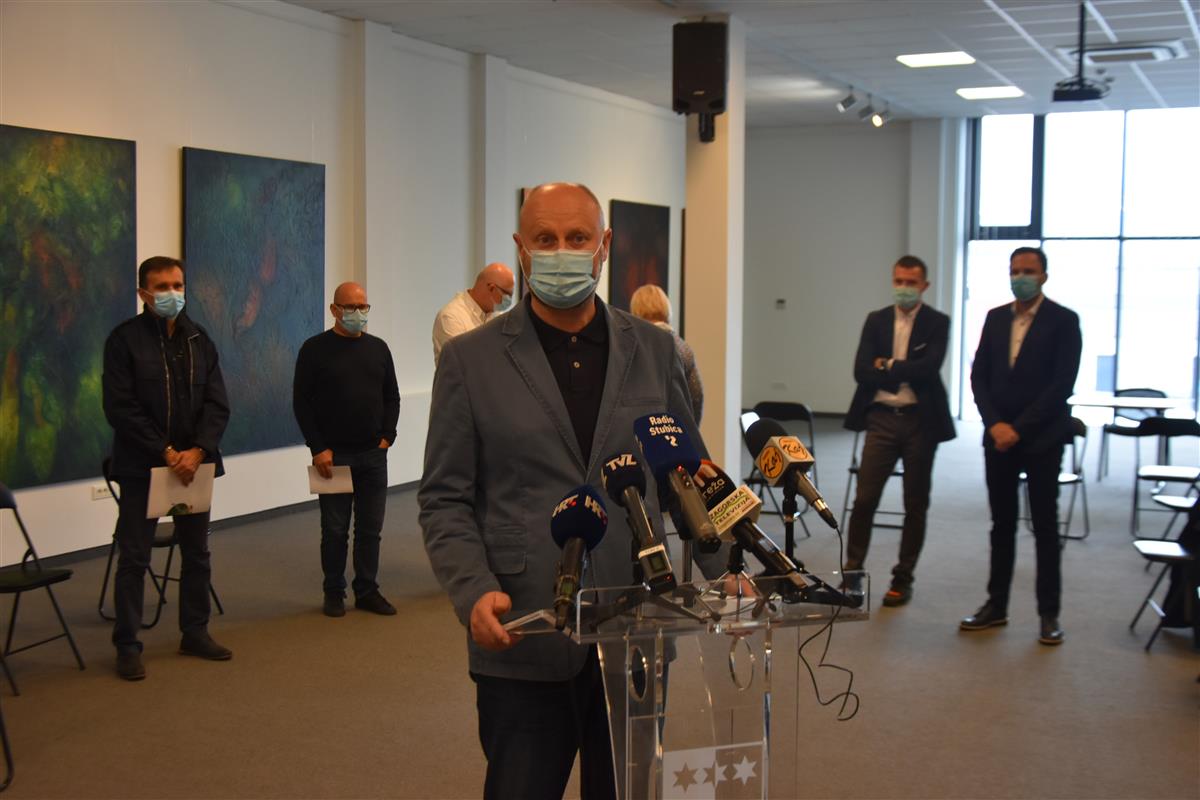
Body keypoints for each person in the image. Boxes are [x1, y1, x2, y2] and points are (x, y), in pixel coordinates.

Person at [419, 182, 725, 800]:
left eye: (577, 238)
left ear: (604, 245)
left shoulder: (655, 350)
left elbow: (687, 477)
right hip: (523, 629)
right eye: (546, 239)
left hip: (636, 625)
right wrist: (472, 590)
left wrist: (732, 569)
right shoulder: (470, 360)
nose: (562, 251)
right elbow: (444, 497)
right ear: (522, 248)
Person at [102, 256, 231, 681]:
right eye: (162, 287)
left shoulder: (199, 339)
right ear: (143, 293)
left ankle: (195, 631)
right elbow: (120, 407)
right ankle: (127, 645)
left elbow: (217, 403)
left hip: (195, 466)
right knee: (135, 557)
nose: (172, 293)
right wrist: (167, 452)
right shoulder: (124, 341)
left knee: (197, 553)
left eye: (177, 285)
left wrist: (198, 450)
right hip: (144, 467)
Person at [962, 246, 1081, 645]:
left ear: (1044, 276)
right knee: (1002, 525)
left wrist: (1018, 428)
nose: (1021, 277)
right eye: (1015, 271)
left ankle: (1049, 614)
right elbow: (979, 376)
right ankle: (996, 606)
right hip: (998, 439)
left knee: (1045, 527)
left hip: (1042, 438)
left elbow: (1062, 384)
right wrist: (995, 424)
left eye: (1029, 271)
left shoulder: (1064, 320)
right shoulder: (996, 317)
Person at [842, 255, 955, 607]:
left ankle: (902, 578)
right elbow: (861, 371)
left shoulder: (937, 322)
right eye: (899, 281)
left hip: (921, 420)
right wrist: (902, 369)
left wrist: (887, 364)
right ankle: (852, 575)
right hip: (881, 418)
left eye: (911, 282)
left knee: (915, 502)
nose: (904, 288)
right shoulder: (876, 320)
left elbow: (929, 368)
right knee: (865, 499)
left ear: (924, 286)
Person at [293, 282, 401, 618]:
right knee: (335, 530)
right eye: (350, 307)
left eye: (363, 307)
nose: (358, 313)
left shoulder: (379, 348)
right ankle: (334, 591)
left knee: (370, 530)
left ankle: (367, 590)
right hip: (333, 457)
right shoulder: (314, 349)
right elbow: (302, 403)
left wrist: (387, 438)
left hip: (373, 455)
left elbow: (391, 397)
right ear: (334, 310)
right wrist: (318, 448)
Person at [629, 283, 704, 423]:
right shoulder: (683, 347)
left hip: (644, 426)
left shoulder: (637, 346)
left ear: (636, 311)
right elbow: (696, 396)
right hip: (677, 427)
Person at [431, 262, 515, 365]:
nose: (509, 301)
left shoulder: (496, 315)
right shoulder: (451, 317)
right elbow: (468, 365)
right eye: (508, 295)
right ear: (491, 288)